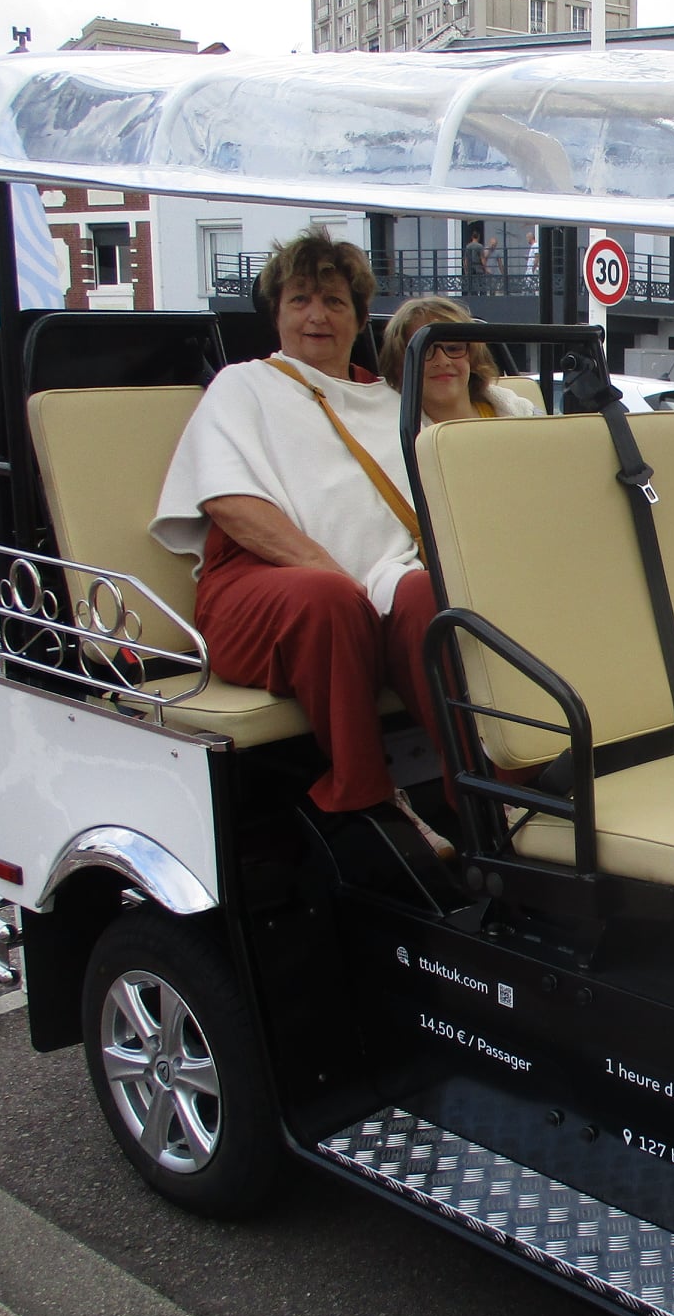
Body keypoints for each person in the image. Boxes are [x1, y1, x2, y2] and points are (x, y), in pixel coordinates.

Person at [151, 228, 453, 857]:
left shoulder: (392, 402)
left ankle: (480, 795)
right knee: (327, 599)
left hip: (373, 585)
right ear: (277, 313)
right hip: (258, 592)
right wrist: (336, 576)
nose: (317, 315)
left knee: (431, 598)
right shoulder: (245, 385)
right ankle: (365, 794)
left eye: (335, 301)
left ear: (359, 316)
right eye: (300, 299)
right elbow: (231, 502)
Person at [378, 296, 539, 423]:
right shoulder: (390, 437)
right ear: (399, 365)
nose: (442, 361)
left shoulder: (525, 416)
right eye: (425, 350)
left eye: (454, 348)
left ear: (473, 357)